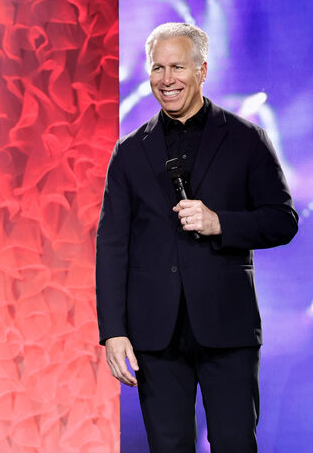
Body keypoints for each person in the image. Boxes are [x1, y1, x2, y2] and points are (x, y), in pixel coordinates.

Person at [96, 22, 298, 452]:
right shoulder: (130, 151)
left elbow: (282, 220)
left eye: (177, 67)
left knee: (234, 442)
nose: (166, 80)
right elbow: (112, 245)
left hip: (227, 325)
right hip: (155, 333)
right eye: (157, 69)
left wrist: (220, 223)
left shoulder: (245, 139)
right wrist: (114, 331)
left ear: (202, 70)